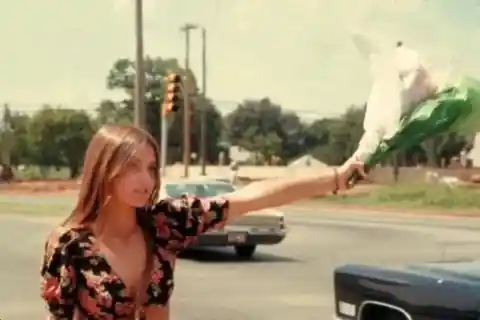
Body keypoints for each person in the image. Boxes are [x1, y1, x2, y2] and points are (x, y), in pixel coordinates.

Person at [40, 124, 365, 320]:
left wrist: (335, 177)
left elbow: (253, 197)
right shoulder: (70, 245)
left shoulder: (165, 224)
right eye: (132, 167)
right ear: (103, 169)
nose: (146, 179)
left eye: (151, 168)